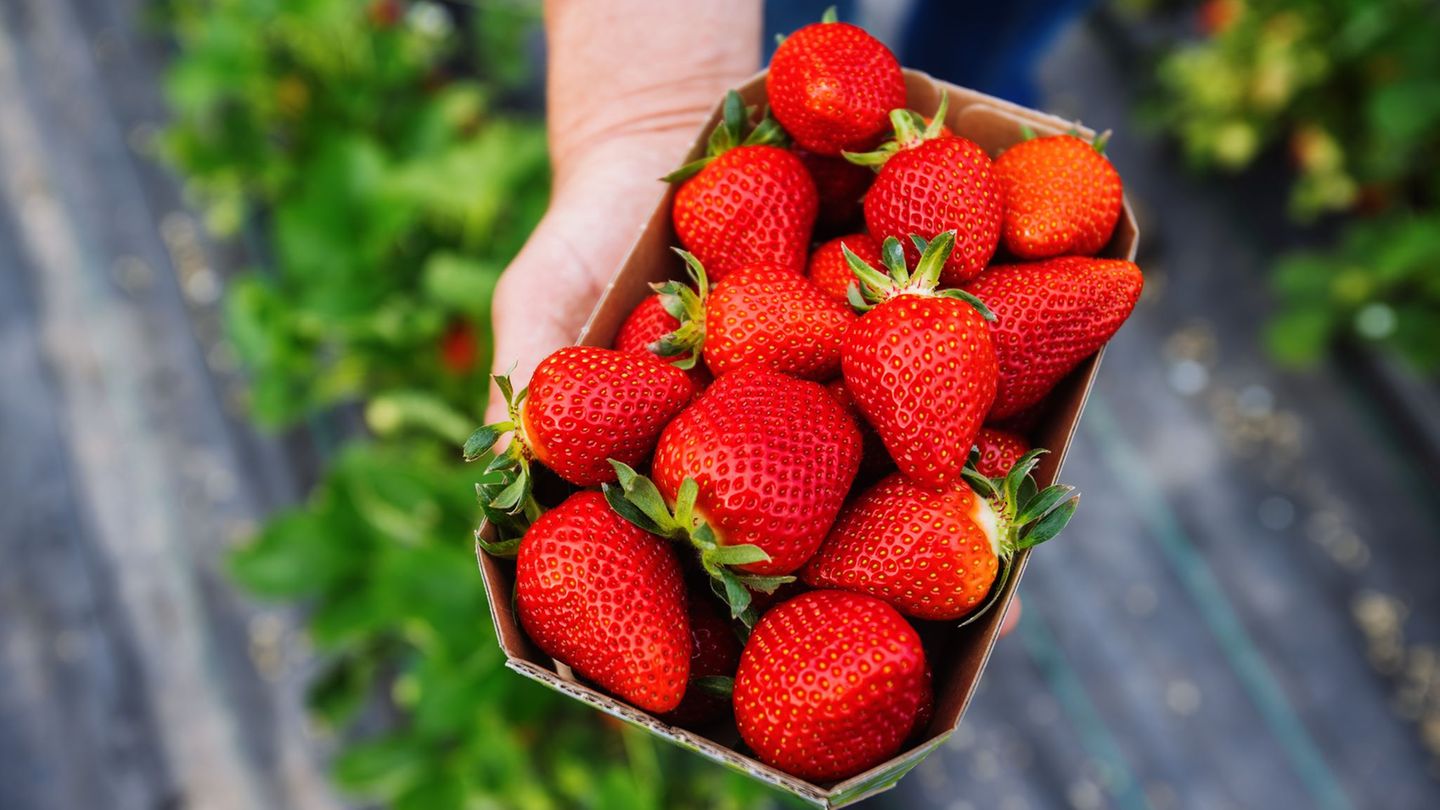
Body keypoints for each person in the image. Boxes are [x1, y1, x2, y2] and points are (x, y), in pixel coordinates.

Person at [486, 0, 1025, 633]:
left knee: (994, 37)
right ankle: (984, 78)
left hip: (838, 333)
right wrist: (644, 119)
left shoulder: (829, 335)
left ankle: (985, 75)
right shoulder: (850, 339)